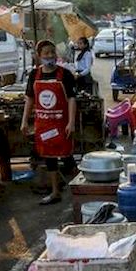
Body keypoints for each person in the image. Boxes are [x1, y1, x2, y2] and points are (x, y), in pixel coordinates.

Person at [21, 40, 77, 205]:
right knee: (49, 158)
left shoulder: (65, 74)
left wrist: (71, 122)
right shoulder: (34, 75)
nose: (50, 55)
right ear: (39, 56)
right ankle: (55, 192)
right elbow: (29, 99)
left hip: (62, 124)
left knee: (67, 157)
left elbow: (72, 99)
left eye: (52, 52)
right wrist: (25, 121)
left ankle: (81, 190)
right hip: (44, 125)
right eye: (46, 53)